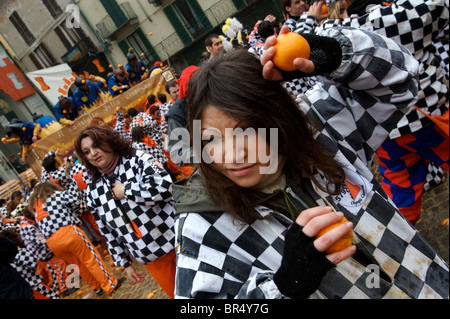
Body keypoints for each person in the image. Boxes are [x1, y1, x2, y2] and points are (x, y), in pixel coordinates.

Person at [173, 30, 448, 299]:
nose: (232, 155)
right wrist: (282, 288)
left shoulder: (320, 127)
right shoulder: (202, 226)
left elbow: (402, 77)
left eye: (247, 129)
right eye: (211, 139)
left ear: (277, 116)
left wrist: (333, 54)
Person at [314, 0, 449, 224]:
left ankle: (401, 242)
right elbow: (436, 6)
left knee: (400, 190)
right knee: (401, 186)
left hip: (384, 131)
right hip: (427, 117)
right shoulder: (398, 14)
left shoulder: (331, 30)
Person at [74, 125, 177, 298]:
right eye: (87, 151)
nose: (93, 153)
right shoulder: (93, 190)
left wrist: (128, 190)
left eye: (96, 145)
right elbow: (107, 230)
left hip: (180, 242)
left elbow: (165, 187)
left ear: (109, 141)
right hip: (151, 257)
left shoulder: (137, 159)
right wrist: (124, 262)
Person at [27, 182, 120, 295]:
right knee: (90, 259)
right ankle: (110, 284)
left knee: (76, 265)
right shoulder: (56, 195)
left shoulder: (36, 206)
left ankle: (96, 287)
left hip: (52, 242)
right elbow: (76, 202)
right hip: (68, 232)